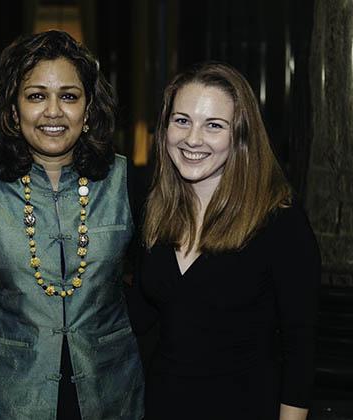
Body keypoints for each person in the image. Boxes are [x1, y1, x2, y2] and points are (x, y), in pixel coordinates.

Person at [0, 30, 144, 419]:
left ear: (88, 110)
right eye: (36, 96)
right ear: (14, 112)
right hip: (13, 394)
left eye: (69, 96)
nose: (53, 111)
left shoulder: (127, 182)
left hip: (111, 394)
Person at [136, 61, 321, 419]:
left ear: (240, 136)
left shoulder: (279, 219)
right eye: (182, 120)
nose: (192, 139)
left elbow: (301, 347)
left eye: (214, 125)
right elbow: (143, 319)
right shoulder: (155, 211)